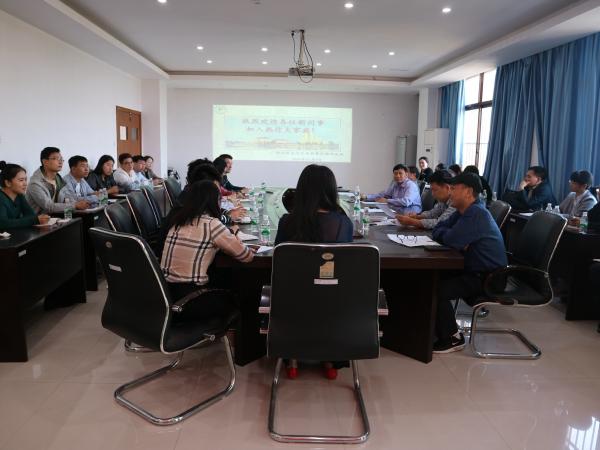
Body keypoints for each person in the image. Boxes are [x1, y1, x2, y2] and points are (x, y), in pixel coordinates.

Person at [275, 164, 354, 381]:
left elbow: (278, 258)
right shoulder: (343, 223)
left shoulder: (287, 222)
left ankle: (292, 358)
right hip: (334, 301)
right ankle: (329, 358)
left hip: (293, 300)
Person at [431, 172, 508, 353]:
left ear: (468, 192)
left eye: (454, 188)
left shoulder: (476, 213)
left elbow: (451, 239)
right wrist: (449, 235)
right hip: (473, 269)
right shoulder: (463, 211)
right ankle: (434, 326)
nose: (450, 192)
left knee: (435, 289)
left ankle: (453, 338)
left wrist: (450, 236)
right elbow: (438, 229)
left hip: (488, 278)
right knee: (430, 278)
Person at [160, 180, 254, 320]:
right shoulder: (211, 224)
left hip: (166, 295)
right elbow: (246, 256)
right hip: (192, 299)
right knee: (243, 293)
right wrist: (234, 236)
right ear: (214, 201)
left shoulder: (178, 221)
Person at [26, 147, 89, 214]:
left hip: (57, 216)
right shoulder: (35, 183)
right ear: (45, 162)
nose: (60, 162)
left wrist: (79, 204)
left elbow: (68, 198)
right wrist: (75, 205)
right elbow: (49, 206)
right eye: (55, 158)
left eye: (61, 159)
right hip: (39, 219)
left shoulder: (59, 180)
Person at [0, 161, 49, 229]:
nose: (25, 184)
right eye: (21, 180)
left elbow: (30, 215)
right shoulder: (1, 198)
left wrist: (38, 219)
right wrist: (34, 220)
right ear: (8, 183)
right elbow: (3, 223)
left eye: (25, 180)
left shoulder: (19, 195)